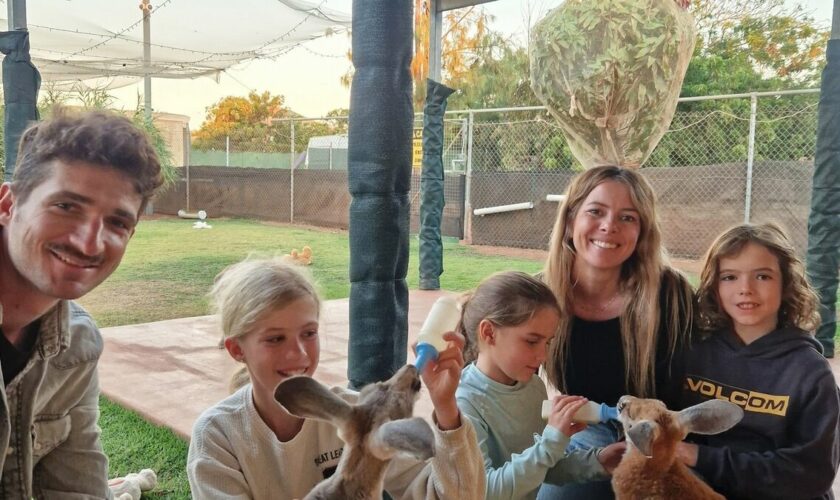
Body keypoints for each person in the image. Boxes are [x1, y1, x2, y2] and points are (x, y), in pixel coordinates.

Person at [187, 257, 485, 499]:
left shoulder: (360, 417)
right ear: (237, 349)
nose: (299, 354)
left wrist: (446, 408)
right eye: (276, 339)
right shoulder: (218, 435)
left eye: (309, 333)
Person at [0, 110, 163, 497]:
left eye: (117, 223)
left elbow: (76, 486)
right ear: (7, 204)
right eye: (66, 206)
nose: (89, 243)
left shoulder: (76, 343)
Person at [537, 165, 694, 499]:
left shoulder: (672, 293)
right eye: (595, 211)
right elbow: (494, 362)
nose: (609, 226)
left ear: (642, 233)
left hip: (668, 434)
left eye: (628, 217)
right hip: (593, 429)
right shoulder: (542, 295)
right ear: (569, 222)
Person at [678, 223, 840, 499]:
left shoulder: (809, 372)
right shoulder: (692, 354)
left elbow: (811, 474)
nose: (746, 289)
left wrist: (701, 457)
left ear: (786, 284)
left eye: (762, 276)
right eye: (729, 277)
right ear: (713, 287)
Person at [455, 271, 625, 500]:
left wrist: (599, 461)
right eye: (532, 341)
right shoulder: (464, 402)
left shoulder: (533, 387)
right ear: (489, 333)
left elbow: (541, 468)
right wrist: (552, 440)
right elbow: (486, 491)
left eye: (548, 342)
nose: (543, 355)